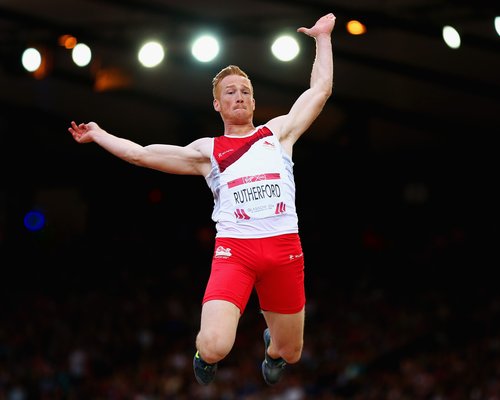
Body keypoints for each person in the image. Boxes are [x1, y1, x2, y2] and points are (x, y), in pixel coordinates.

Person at [68, 12, 335, 386]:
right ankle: (204, 354)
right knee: (213, 346)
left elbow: (319, 90)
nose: (238, 96)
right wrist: (99, 135)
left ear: (254, 101)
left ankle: (272, 345)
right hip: (236, 252)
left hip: (283, 248)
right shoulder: (207, 152)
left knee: (290, 352)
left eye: (245, 91)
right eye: (230, 92)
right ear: (217, 105)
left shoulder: (277, 134)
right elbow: (141, 154)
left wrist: (322, 38)